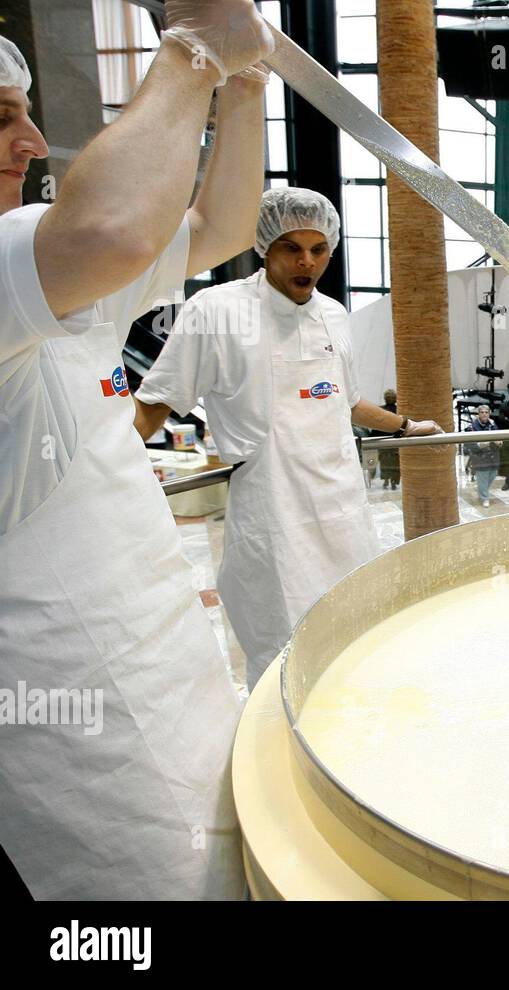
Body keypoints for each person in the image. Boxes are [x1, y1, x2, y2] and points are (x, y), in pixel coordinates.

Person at [0, 5, 273, 900]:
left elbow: (220, 229)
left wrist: (244, 83)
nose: (35, 142)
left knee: (225, 862)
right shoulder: (28, 263)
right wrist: (192, 48)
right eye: (3, 117)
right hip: (76, 720)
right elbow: (109, 230)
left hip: (168, 661)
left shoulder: (42, 279)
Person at [133, 187, 443, 690]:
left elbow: (343, 400)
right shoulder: (216, 311)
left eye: (318, 249)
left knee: (353, 639)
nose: (306, 262)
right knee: (283, 654)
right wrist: (97, 469)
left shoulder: (334, 315)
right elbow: (153, 406)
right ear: (264, 247)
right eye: (291, 248)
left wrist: (407, 426)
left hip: (342, 508)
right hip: (273, 517)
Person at [466, 404, 500, 507]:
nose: (484, 414)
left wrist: (500, 442)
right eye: (482, 412)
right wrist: (479, 445)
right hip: (480, 458)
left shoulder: (493, 424)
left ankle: (482, 491)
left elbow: (498, 436)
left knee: (492, 476)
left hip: (493, 457)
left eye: (486, 412)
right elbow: (467, 444)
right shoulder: (471, 427)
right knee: (483, 479)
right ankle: (484, 498)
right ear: (478, 414)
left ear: (489, 414)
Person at [379, 387, 401, 489]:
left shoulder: (380, 410)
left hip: (382, 441)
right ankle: (393, 481)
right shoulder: (399, 410)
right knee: (395, 462)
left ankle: (386, 480)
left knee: (384, 462)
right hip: (396, 441)